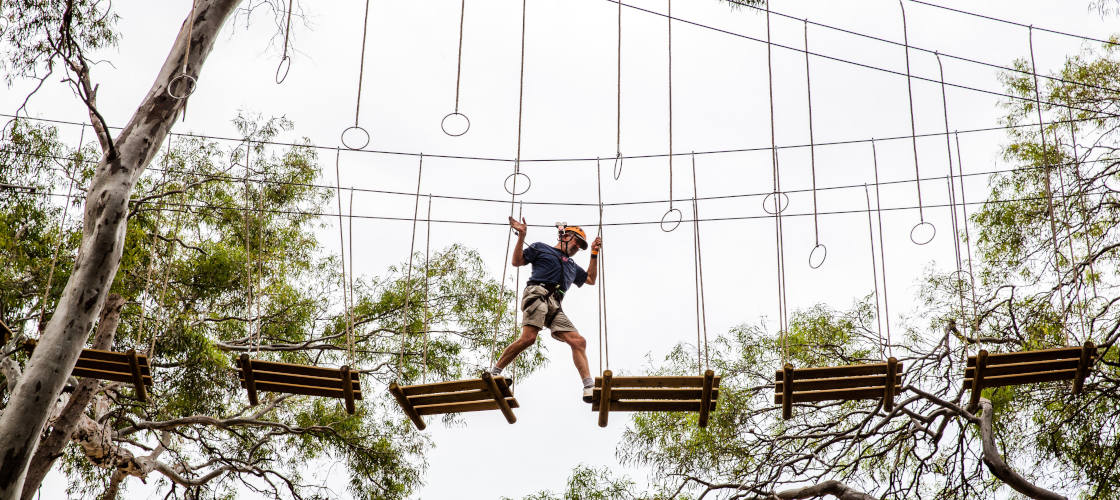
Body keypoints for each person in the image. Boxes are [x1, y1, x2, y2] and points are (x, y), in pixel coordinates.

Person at [485, 216, 602, 402]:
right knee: (529, 338)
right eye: (576, 241)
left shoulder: (572, 266)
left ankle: (589, 387)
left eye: (580, 246)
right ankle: (494, 372)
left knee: (578, 341)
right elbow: (517, 261)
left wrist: (594, 253)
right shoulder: (541, 248)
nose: (577, 247)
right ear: (564, 236)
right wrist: (522, 235)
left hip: (555, 304)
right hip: (538, 293)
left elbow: (590, 279)